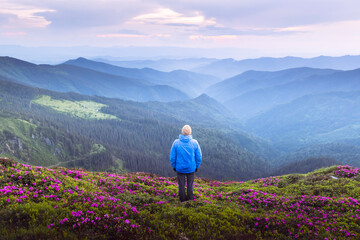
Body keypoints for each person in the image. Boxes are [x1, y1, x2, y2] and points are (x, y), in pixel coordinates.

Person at [170, 125, 202, 202]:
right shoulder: (195, 143)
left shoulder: (176, 142)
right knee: (190, 185)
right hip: (191, 168)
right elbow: (199, 157)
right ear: (190, 132)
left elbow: (172, 157)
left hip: (180, 168)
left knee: (181, 185)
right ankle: (190, 201)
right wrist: (197, 166)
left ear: (182, 132)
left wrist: (174, 166)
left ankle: (182, 201)